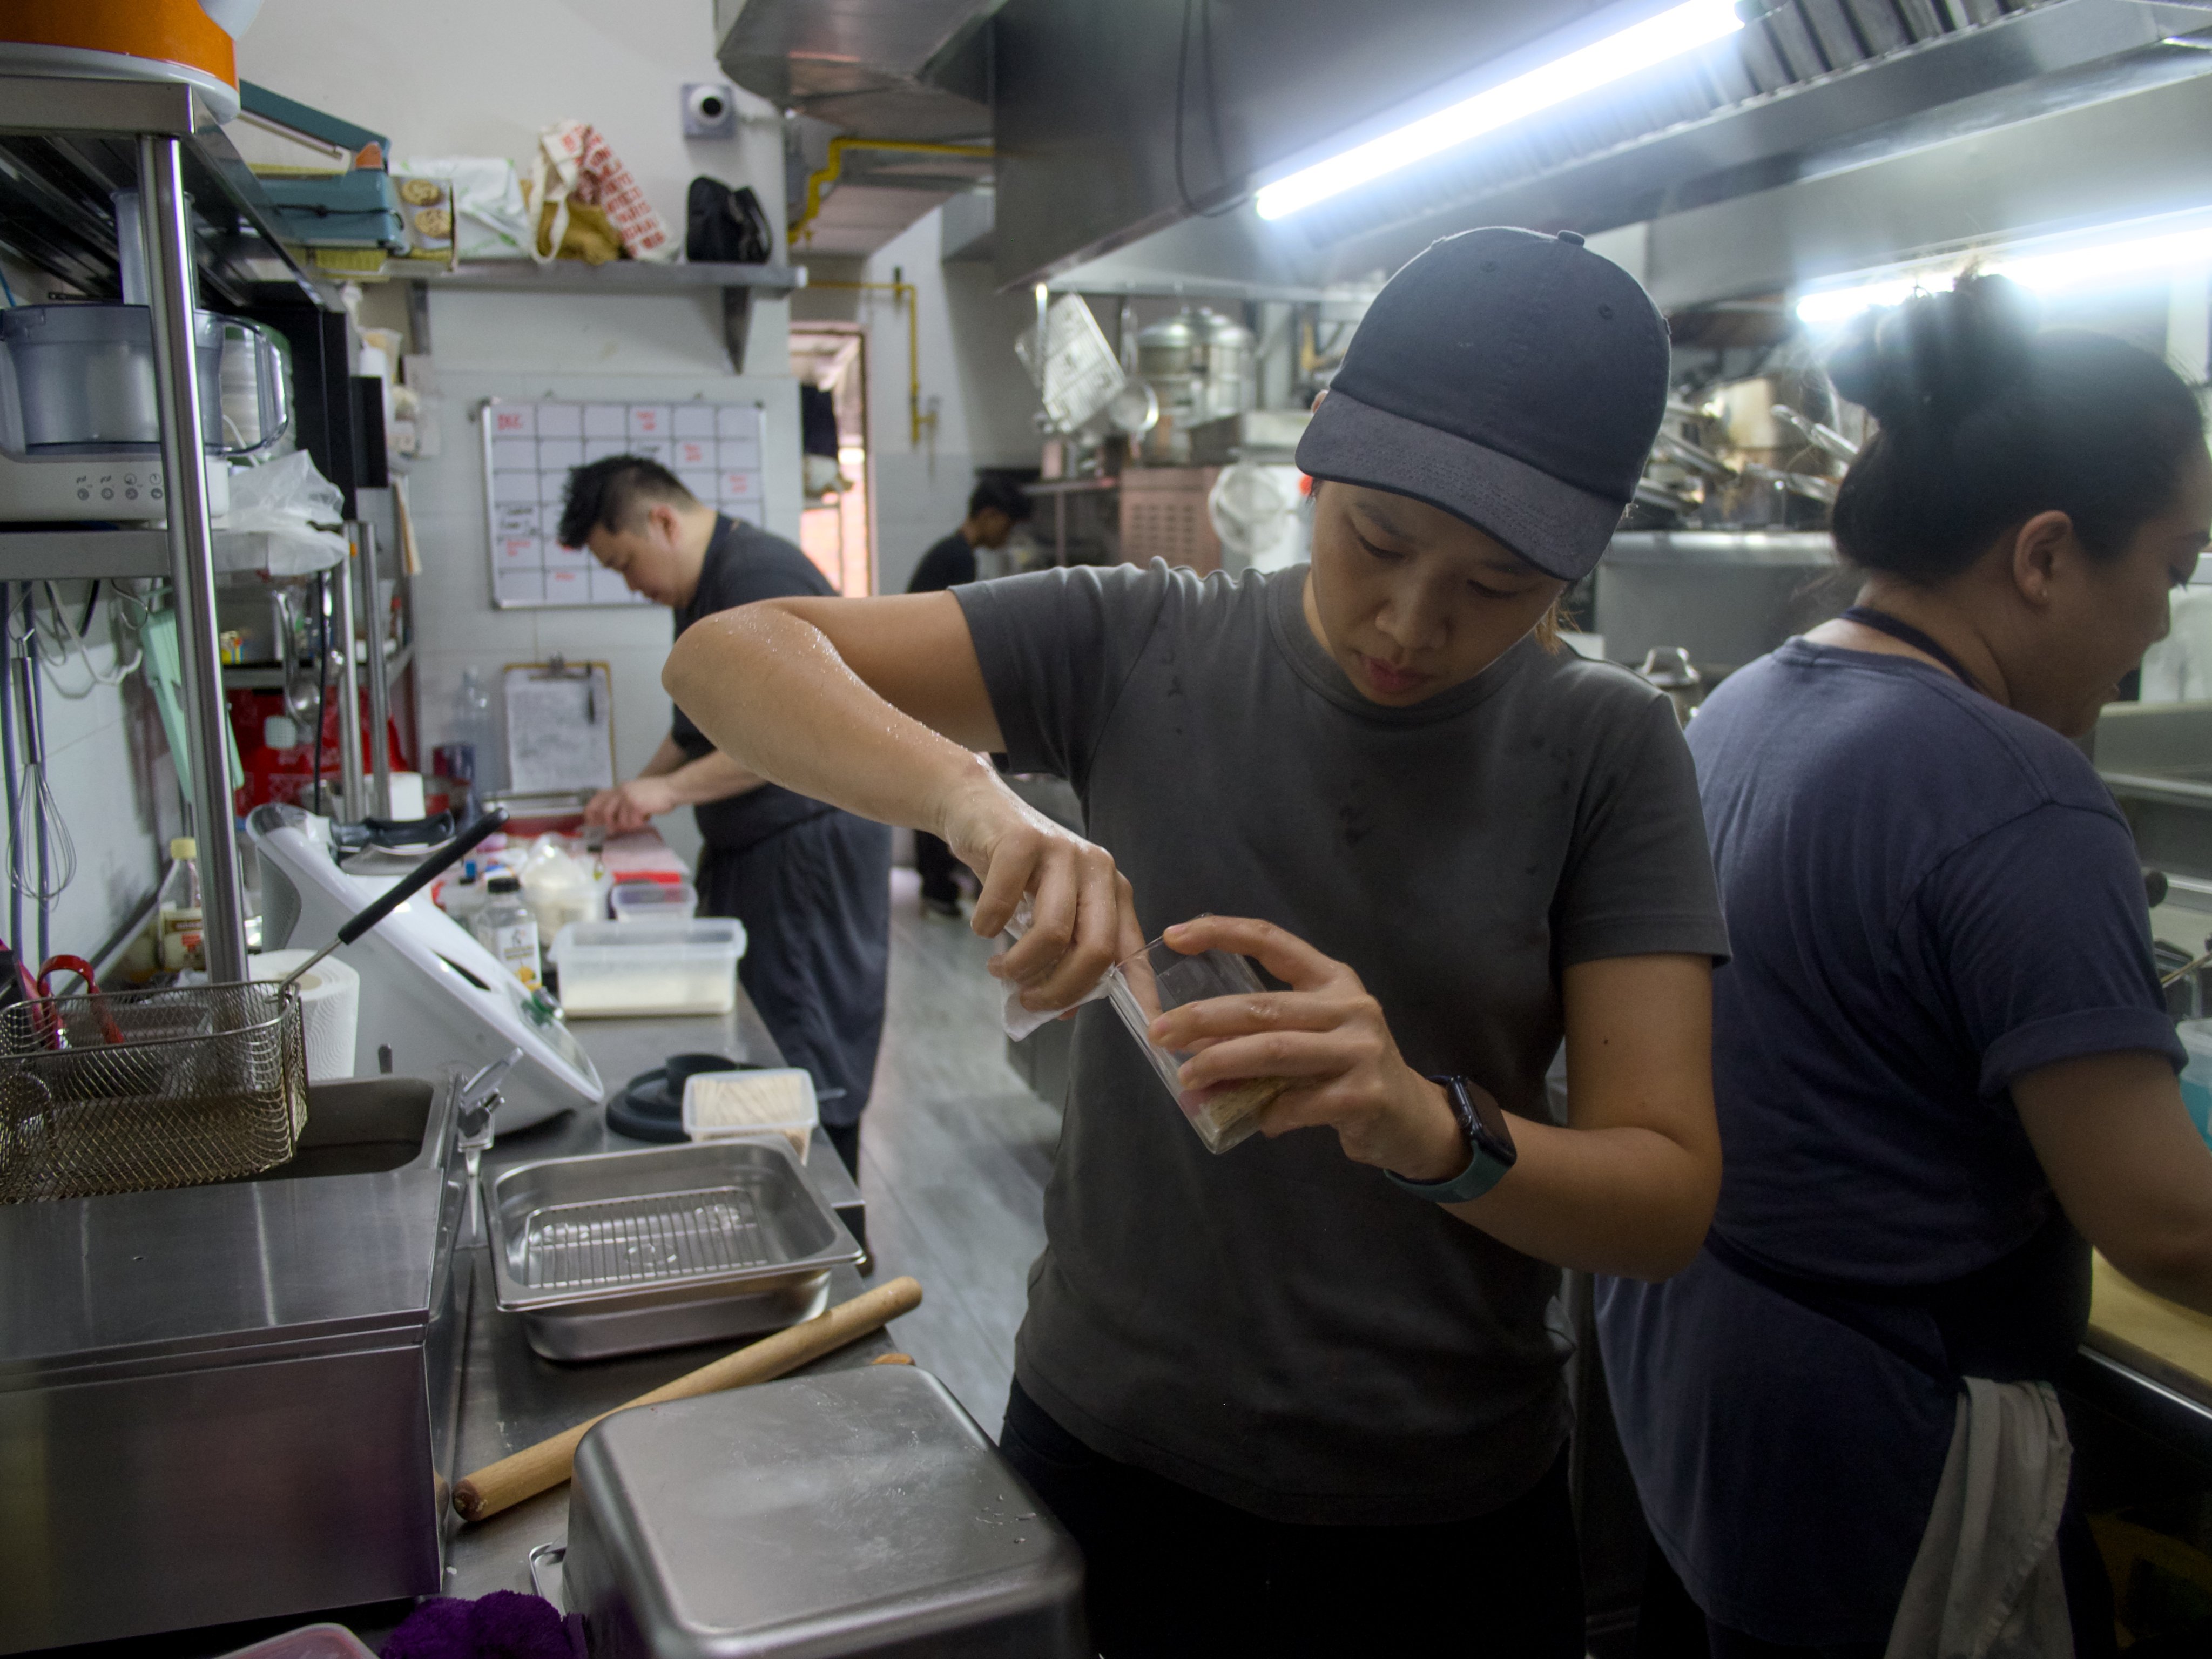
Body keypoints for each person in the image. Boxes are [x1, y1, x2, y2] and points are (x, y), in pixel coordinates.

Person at [663, 227, 1730, 1654]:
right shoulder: (1137, 644)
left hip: (1443, 1522)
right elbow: (727, 656)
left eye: (1497, 586)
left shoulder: (1606, 750)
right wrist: (972, 806)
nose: (1412, 623)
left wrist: (1427, 1124)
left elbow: (1664, 1201)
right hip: (1114, 1465)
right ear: (1318, 472)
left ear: (1579, 567)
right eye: (1381, 543)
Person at [1595, 276, 2212, 1659]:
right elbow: (2167, 1222)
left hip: (1702, 1390)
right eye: (2173, 568)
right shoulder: (2016, 789)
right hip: (1877, 1441)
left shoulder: (1757, 698)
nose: (2166, 623)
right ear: (2045, 553)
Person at [565, 456, 889, 1176]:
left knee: (807, 1044)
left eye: (624, 563)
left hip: (809, 846)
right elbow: (697, 729)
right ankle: (780, 1188)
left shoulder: (755, 580)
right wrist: (636, 788)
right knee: (767, 1032)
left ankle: (835, 1231)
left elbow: (802, 730)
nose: (631, 584)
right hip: (763, 846)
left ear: (663, 521)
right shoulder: (705, 582)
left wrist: (671, 794)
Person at [906, 476, 1034, 916]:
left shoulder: (949, 551)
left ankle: (939, 882)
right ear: (990, 516)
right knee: (940, 784)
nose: (1007, 537)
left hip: (921, 682)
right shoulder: (957, 558)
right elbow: (953, 634)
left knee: (934, 783)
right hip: (928, 686)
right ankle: (939, 885)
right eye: (1008, 526)